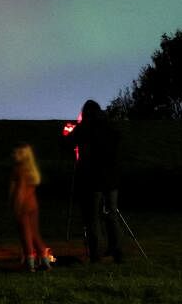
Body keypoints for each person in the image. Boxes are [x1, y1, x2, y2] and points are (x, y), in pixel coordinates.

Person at [66, 99, 122, 263]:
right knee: (111, 214)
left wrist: (69, 131)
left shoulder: (84, 129)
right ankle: (116, 250)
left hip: (91, 179)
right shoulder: (111, 129)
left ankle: (95, 254)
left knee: (92, 218)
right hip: (111, 180)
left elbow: (67, 144)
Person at [9, 143, 53, 271]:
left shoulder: (19, 169)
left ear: (23, 155)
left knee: (25, 234)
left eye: (16, 153)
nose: (13, 155)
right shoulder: (31, 169)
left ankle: (29, 263)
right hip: (33, 205)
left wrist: (16, 206)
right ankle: (45, 261)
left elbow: (20, 191)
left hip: (23, 207)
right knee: (35, 233)